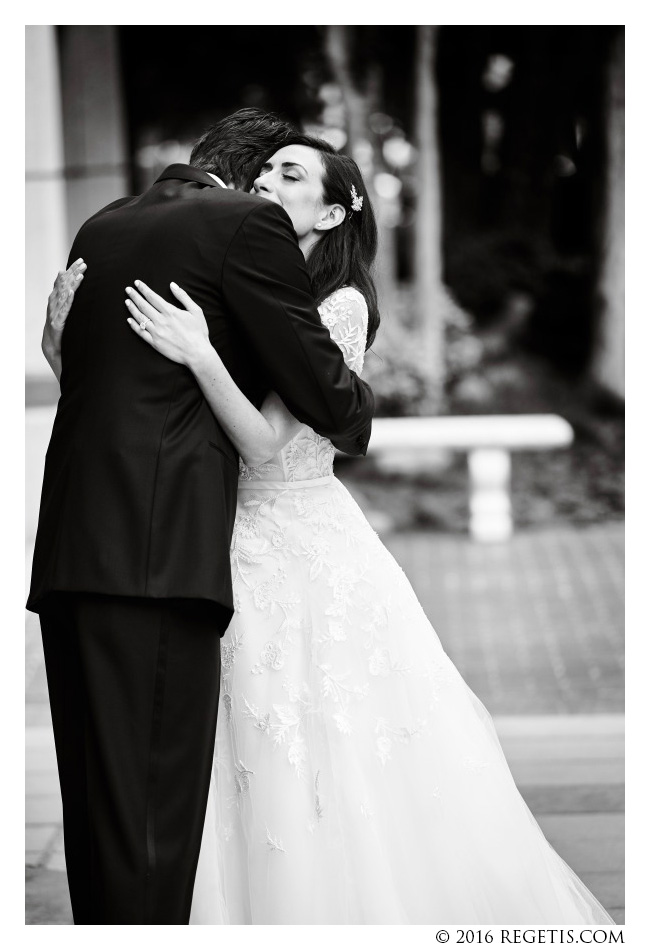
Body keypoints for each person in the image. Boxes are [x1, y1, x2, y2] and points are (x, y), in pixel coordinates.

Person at [51, 133, 616, 926]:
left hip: (298, 539)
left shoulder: (339, 305)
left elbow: (264, 441)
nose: (267, 182)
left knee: (318, 755)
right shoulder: (248, 280)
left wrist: (201, 352)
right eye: (265, 171)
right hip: (221, 539)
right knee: (215, 757)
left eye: (292, 173)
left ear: (337, 205)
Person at [28, 110, 375, 925]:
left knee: (102, 805)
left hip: (77, 549)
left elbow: (106, 378)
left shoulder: (107, 224)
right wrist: (356, 406)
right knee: (154, 810)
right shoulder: (243, 227)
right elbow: (333, 404)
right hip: (159, 556)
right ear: (248, 180)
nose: (270, 191)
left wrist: (57, 341)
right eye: (272, 174)